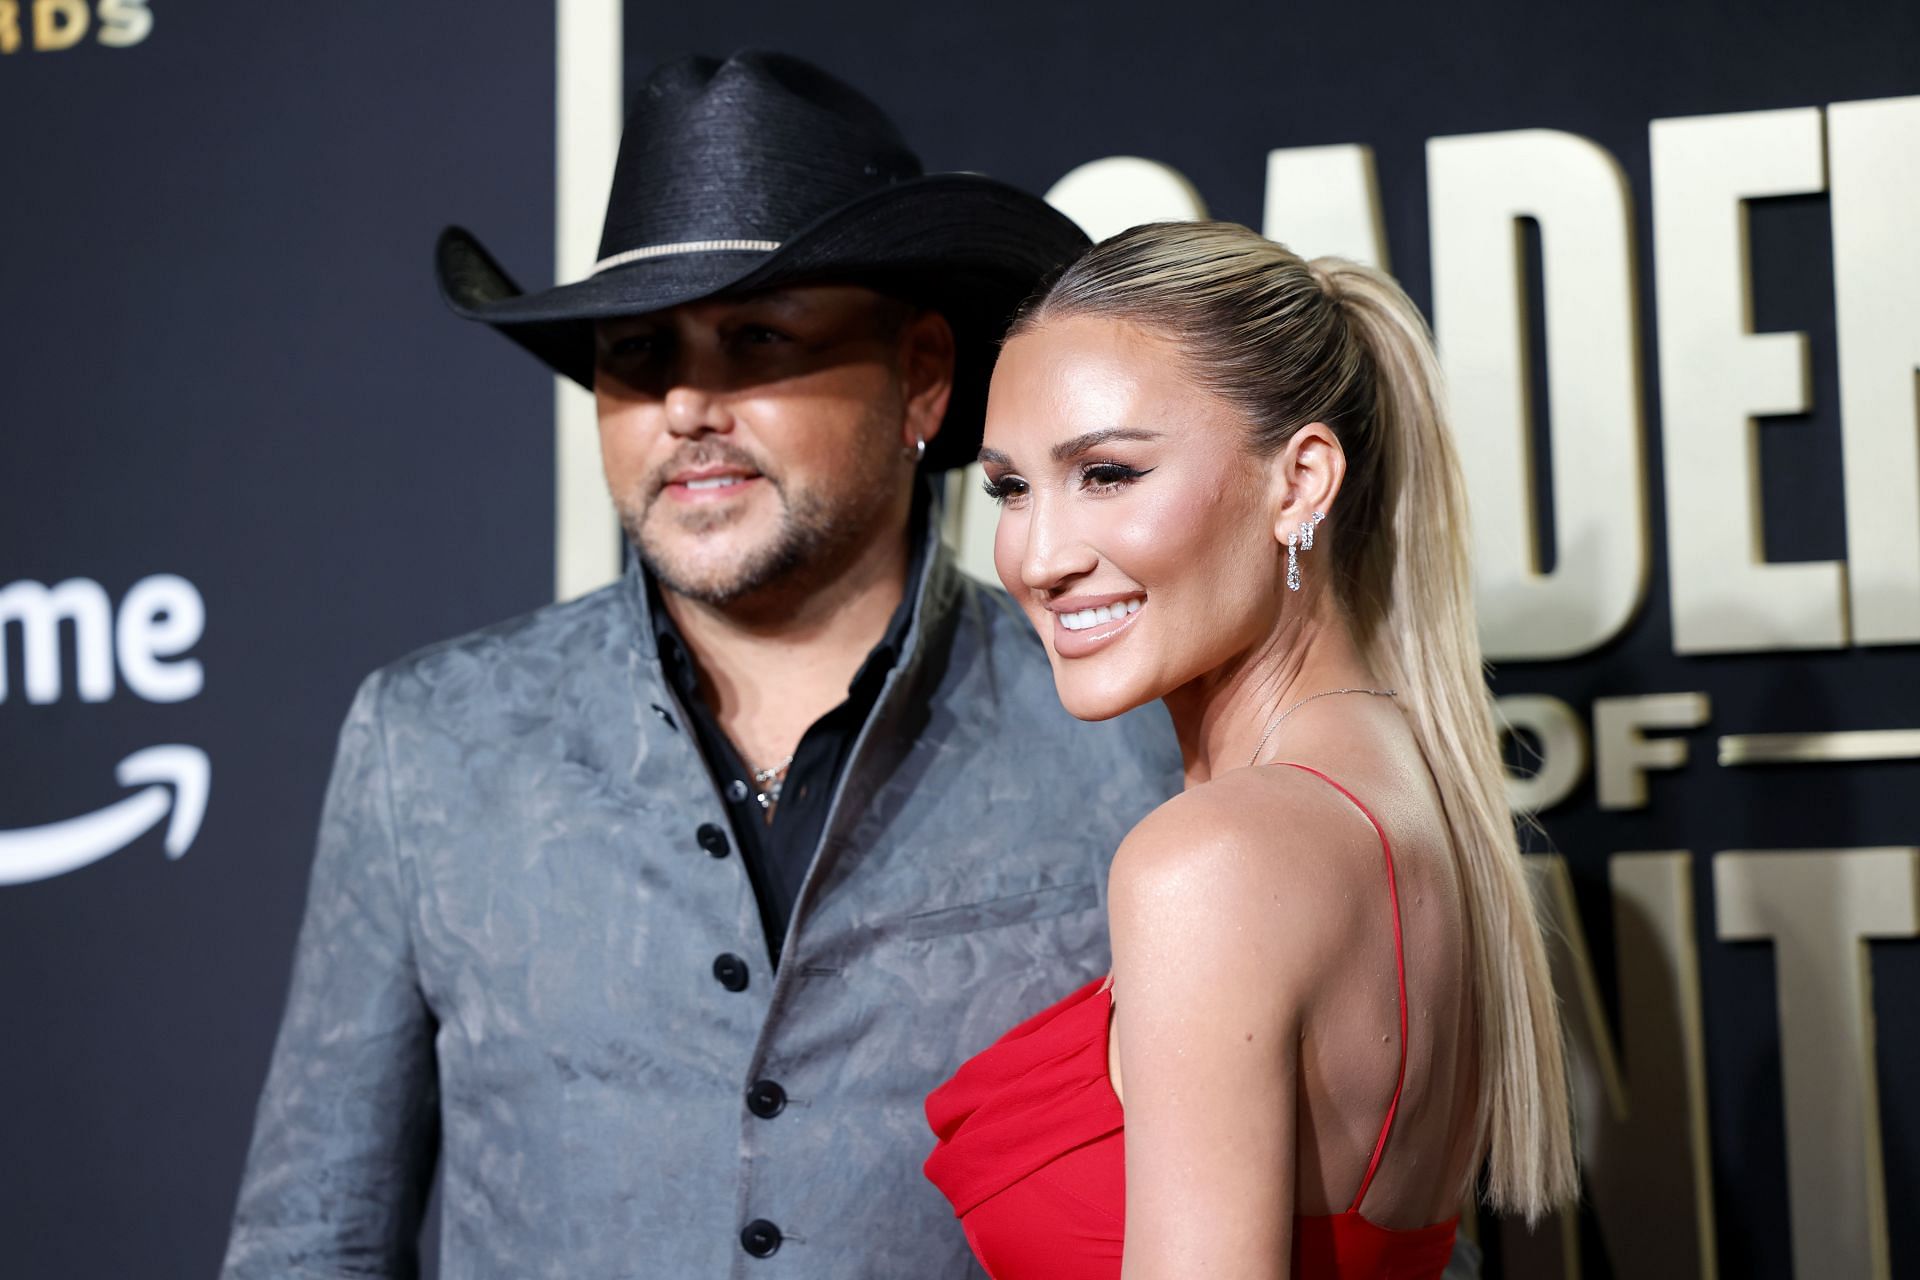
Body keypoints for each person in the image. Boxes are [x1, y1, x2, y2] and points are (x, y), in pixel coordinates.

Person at [219, 52, 1184, 1278]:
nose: (684, 402)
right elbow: (314, 1236)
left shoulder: (1130, 733)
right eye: (634, 353)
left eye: (756, 340)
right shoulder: (431, 740)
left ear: (924, 377)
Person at [924, 221, 1576, 1278]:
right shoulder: (1410, 790)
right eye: (1009, 488)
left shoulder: (1217, 860)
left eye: (1108, 472)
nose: (1036, 556)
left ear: (1302, 479)